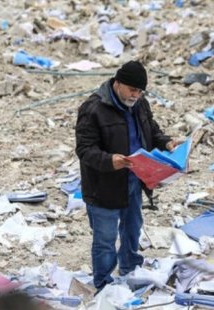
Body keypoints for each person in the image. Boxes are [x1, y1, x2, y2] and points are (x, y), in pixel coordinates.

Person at [75, 60, 180, 291]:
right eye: (132, 90)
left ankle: (130, 268)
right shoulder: (93, 109)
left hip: (133, 180)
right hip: (104, 187)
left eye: (141, 91)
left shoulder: (140, 104)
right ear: (118, 83)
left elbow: (151, 130)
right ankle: (103, 284)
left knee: (133, 229)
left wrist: (166, 142)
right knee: (105, 239)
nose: (136, 95)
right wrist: (109, 161)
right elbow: (84, 149)